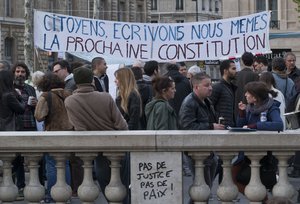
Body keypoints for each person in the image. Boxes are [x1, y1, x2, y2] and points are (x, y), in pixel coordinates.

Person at [64, 67, 128, 203]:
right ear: (92, 80)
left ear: (76, 82)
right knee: (124, 187)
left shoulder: (70, 101)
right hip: (117, 148)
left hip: (96, 152)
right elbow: (122, 125)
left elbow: (80, 130)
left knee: (108, 189)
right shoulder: (105, 97)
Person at [179, 73, 224, 191]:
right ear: (196, 87)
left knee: (204, 188)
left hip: (208, 149)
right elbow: (187, 127)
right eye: (207, 85)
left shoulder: (206, 101)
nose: (210, 88)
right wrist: (211, 126)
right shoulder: (189, 103)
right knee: (202, 188)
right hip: (197, 150)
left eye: (211, 85)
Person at [34, 72, 72, 203]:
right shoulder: (68, 93)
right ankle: (66, 195)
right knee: (65, 164)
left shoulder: (46, 95)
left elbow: (39, 116)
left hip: (52, 134)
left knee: (51, 165)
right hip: (68, 134)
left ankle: (51, 196)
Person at [11, 62, 38, 197]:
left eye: (22, 72)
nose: (20, 74)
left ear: (26, 74)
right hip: (15, 126)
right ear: (13, 73)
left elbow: (36, 107)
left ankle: (35, 185)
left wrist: (35, 104)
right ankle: (19, 186)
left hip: (31, 125)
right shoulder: (9, 88)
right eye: (17, 71)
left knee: (34, 158)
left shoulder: (30, 88)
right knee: (16, 159)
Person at [210, 60, 237, 127]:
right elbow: (209, 106)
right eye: (233, 69)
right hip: (221, 127)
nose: (235, 71)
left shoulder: (232, 87)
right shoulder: (217, 87)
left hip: (230, 126)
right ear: (225, 71)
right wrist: (218, 121)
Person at [235, 52, 259, 116]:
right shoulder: (255, 75)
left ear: (242, 61)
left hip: (237, 108)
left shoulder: (236, 75)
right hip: (250, 110)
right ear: (253, 62)